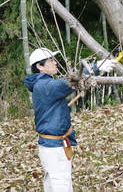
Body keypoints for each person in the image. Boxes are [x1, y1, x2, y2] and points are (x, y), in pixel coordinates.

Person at [23, 47, 116, 192]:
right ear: (39, 66)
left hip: (51, 145)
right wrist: (96, 67)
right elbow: (66, 83)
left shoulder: (42, 84)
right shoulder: (45, 86)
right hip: (54, 147)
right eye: (51, 60)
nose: (55, 63)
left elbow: (65, 85)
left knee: (52, 183)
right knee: (61, 184)